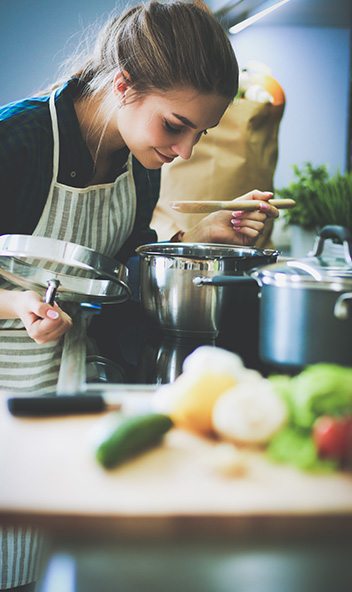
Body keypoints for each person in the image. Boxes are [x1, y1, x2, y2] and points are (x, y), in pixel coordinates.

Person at [0, 1, 279, 589]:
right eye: (175, 125)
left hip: (63, 380)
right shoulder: (17, 141)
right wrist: (13, 303)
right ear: (123, 85)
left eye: (199, 133)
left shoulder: (138, 163)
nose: (185, 152)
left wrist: (194, 239)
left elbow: (114, 272)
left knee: (44, 565)